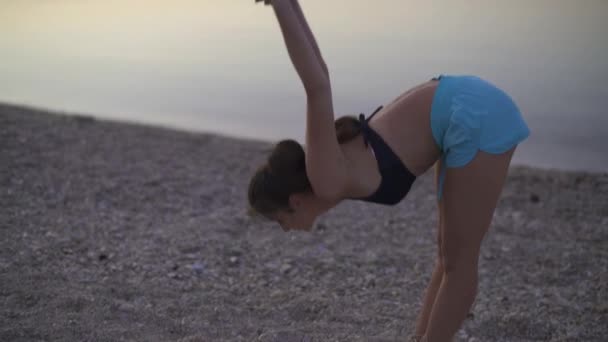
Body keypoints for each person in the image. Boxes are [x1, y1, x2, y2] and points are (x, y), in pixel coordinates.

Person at [248, 1, 531, 341]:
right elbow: (322, 73)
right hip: (460, 108)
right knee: (448, 253)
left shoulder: (325, 179)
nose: (285, 230)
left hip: (473, 115)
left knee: (460, 260)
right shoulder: (329, 170)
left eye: (279, 221)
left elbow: (317, 84)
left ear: (294, 201)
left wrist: (281, 6)